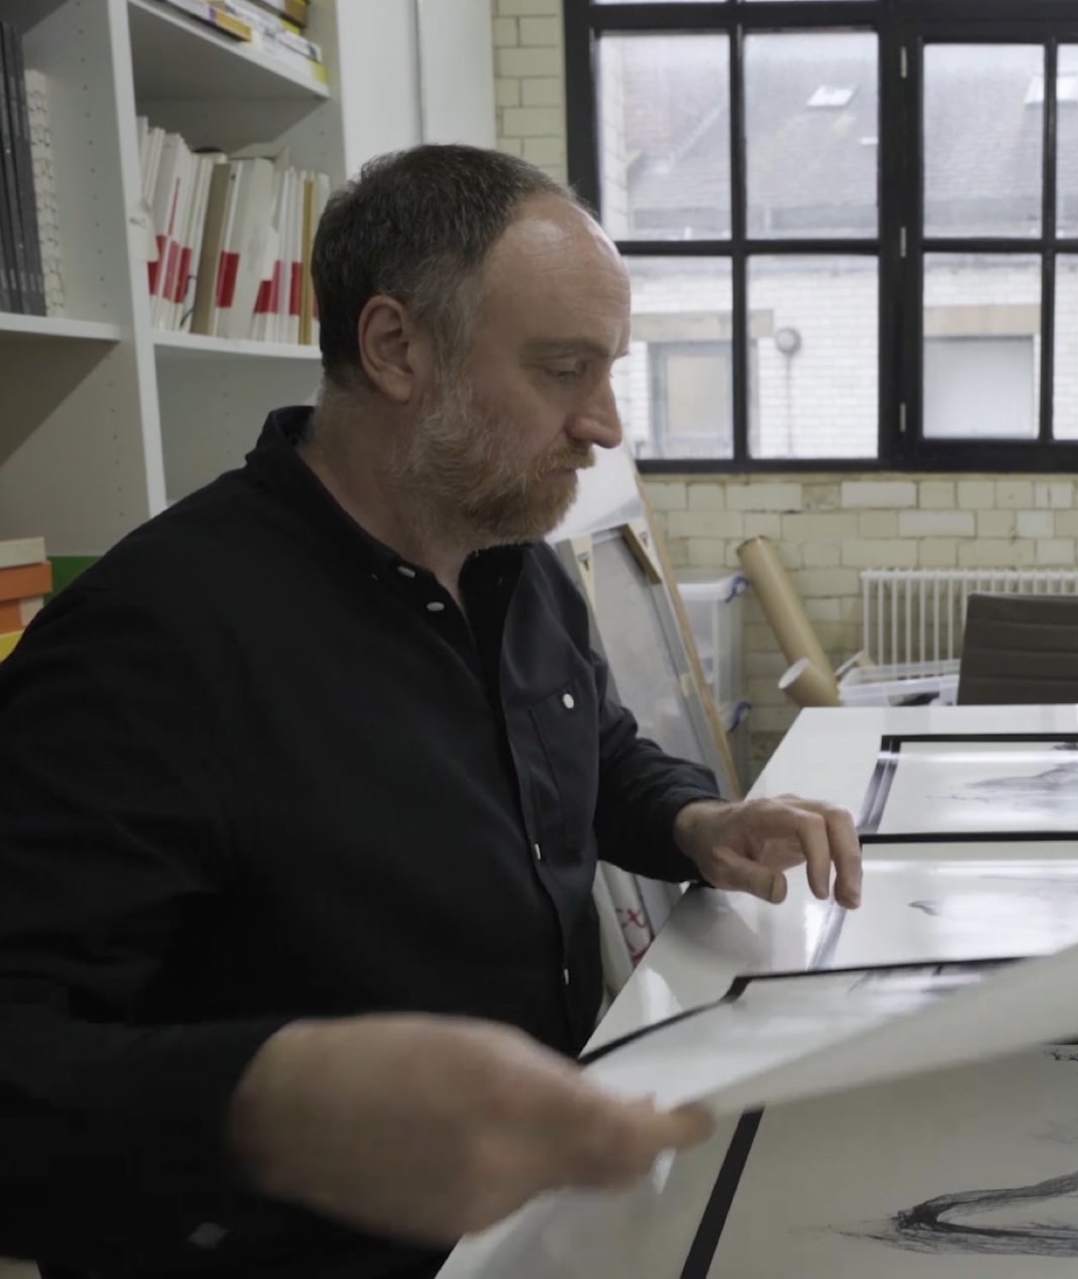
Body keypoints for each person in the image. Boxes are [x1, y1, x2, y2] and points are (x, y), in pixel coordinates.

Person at [0, 145, 861, 1277]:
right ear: (395, 347)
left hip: (538, 1219)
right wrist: (268, 1101)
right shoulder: (154, 641)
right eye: (564, 370)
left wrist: (692, 822)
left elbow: (588, 754)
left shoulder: (519, 562)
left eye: (610, 372)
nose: (605, 425)